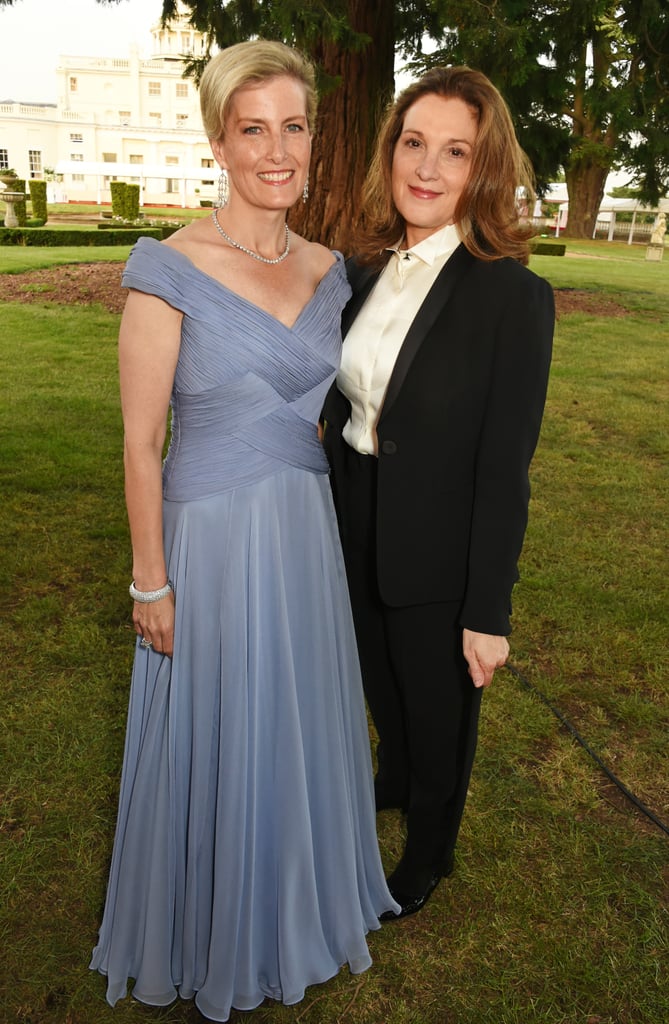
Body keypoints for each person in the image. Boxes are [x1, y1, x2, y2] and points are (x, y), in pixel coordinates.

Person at [90, 39, 398, 1021]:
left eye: (294, 126)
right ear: (220, 141)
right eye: (252, 128)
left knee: (294, 725)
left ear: (316, 139)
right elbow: (142, 441)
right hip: (209, 547)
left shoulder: (333, 272)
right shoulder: (166, 268)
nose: (277, 149)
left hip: (303, 538)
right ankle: (214, 921)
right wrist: (151, 580)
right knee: (217, 732)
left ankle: (295, 904)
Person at [322, 66, 554, 920]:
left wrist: (486, 611)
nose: (426, 167)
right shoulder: (357, 273)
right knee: (378, 680)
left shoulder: (512, 299)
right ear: (390, 152)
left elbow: (505, 468)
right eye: (413, 143)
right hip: (353, 516)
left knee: (437, 709)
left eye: (453, 151)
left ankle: (429, 851)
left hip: (441, 545)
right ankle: (392, 777)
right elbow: (336, 397)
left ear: (481, 169)